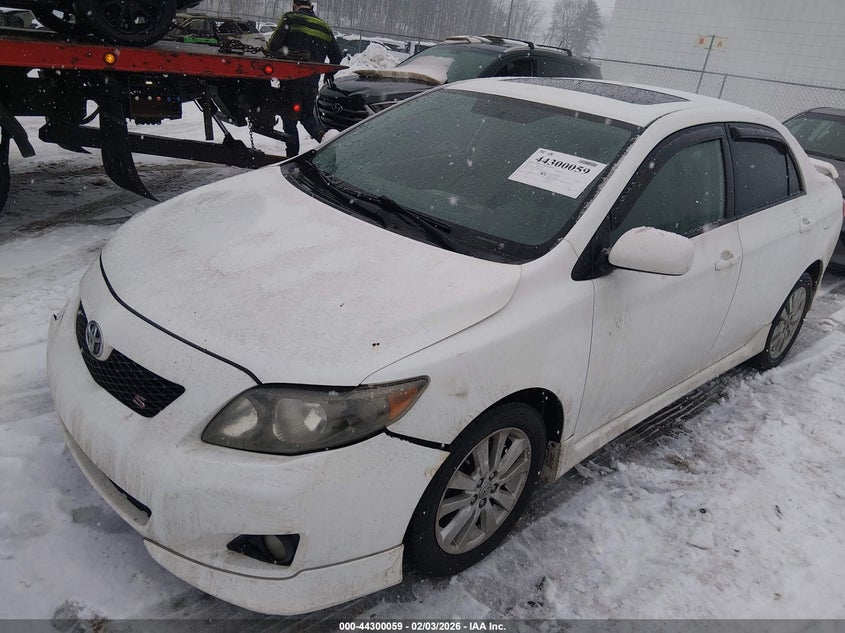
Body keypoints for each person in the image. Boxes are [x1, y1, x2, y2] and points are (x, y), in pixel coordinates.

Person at [267, 0, 343, 157]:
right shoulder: (324, 27)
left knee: (290, 121)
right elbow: (337, 56)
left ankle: (292, 160)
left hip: (291, 81)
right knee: (308, 117)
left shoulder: (290, 18)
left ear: (294, 5)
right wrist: (328, 74)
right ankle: (325, 138)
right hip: (311, 84)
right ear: (311, 6)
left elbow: (272, 46)